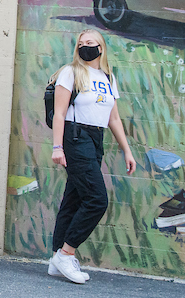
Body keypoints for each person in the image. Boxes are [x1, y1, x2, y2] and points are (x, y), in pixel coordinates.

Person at [47, 28, 136, 284]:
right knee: (97, 199)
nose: (86, 46)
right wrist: (57, 147)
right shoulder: (71, 72)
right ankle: (67, 253)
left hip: (96, 139)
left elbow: (114, 118)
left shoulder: (107, 77)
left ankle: (56, 259)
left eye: (91, 42)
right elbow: (60, 113)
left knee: (74, 197)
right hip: (75, 137)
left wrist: (126, 150)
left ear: (101, 47)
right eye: (82, 43)